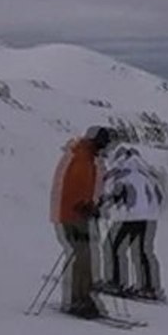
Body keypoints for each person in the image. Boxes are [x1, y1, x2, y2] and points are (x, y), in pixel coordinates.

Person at [49, 126, 112, 319]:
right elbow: (72, 186)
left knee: (85, 254)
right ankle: (77, 300)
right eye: (102, 143)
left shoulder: (88, 157)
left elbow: (86, 187)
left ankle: (82, 297)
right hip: (71, 214)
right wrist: (84, 205)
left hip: (77, 213)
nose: (104, 148)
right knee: (81, 254)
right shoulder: (81, 157)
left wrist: (93, 204)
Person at [96, 145, 166, 301]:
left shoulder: (123, 174)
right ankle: (149, 287)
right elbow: (160, 196)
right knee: (143, 251)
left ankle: (116, 282)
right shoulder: (147, 174)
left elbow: (115, 195)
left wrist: (102, 204)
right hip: (150, 218)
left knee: (113, 246)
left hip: (130, 216)